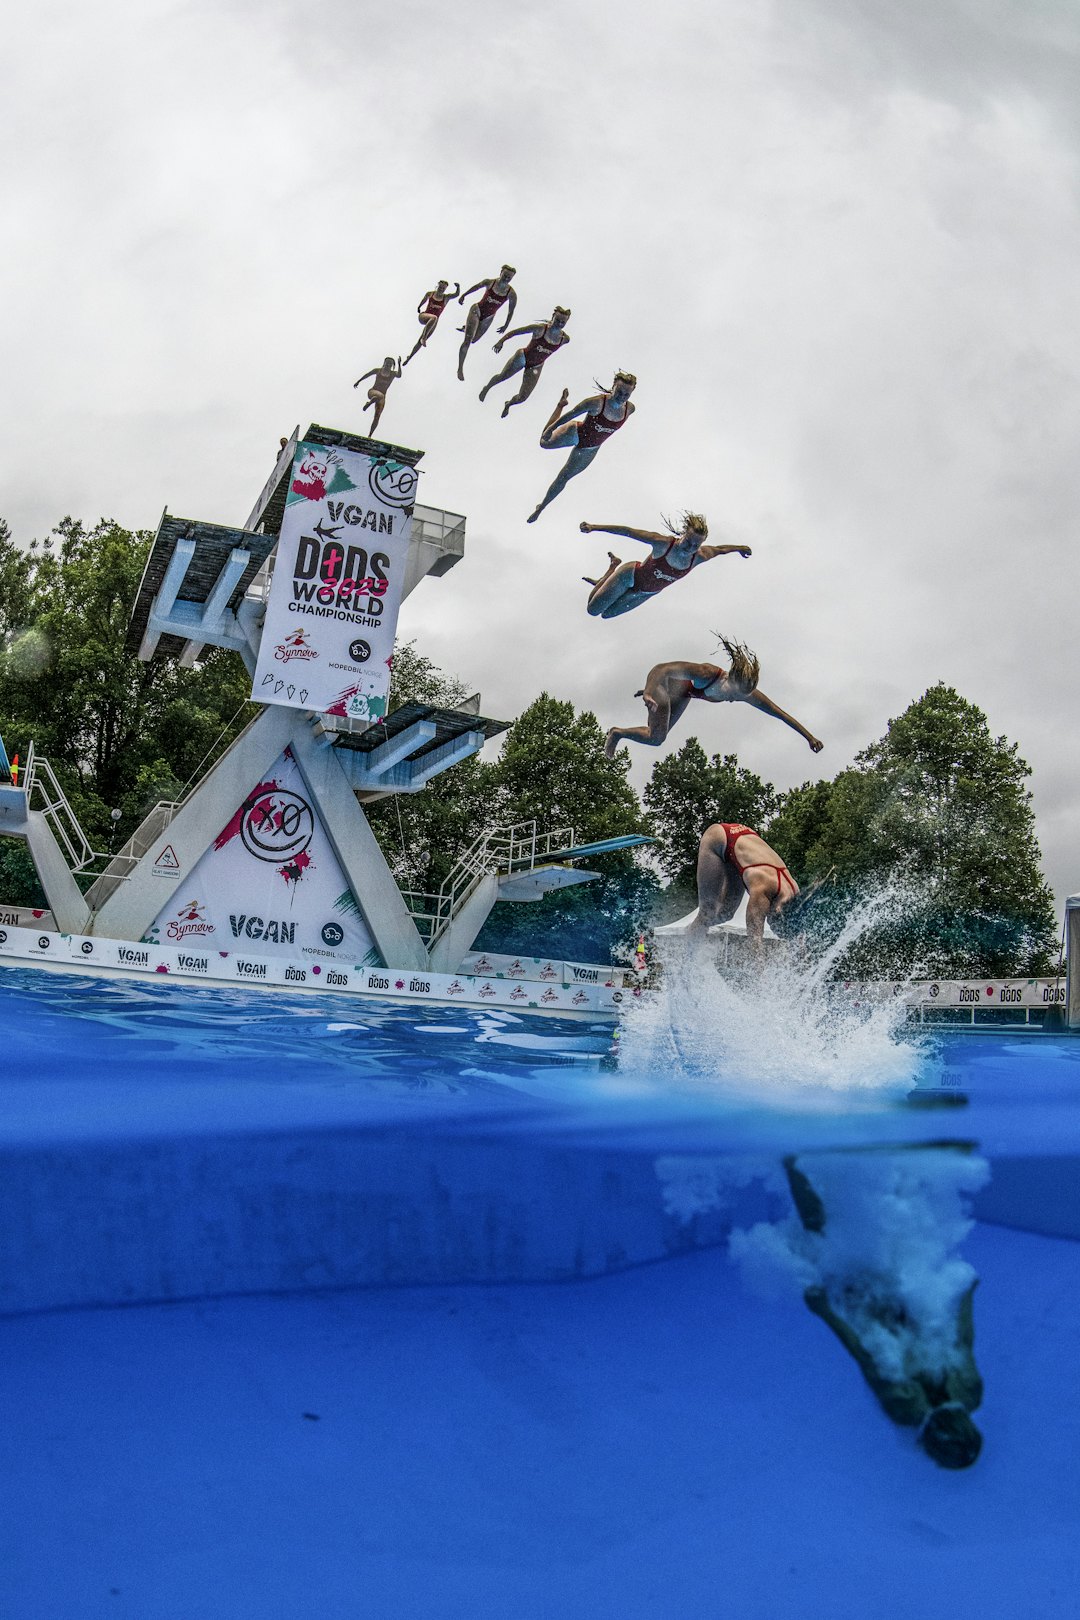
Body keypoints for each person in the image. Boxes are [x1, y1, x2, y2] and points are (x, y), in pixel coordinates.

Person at [783, 1151, 985, 1469]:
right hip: (892, 1311)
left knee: (844, 1235)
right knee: (835, 1235)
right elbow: (864, 1354)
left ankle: (805, 1158)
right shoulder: (920, 1407)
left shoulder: (956, 1399)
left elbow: (960, 1340)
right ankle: (805, 1158)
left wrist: (965, 1294)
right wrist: (825, 1313)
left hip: (891, 1311)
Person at [604, 638, 824, 758]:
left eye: (741, 697)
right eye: (735, 695)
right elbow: (662, 668)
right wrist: (650, 691)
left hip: (683, 694)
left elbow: (780, 714)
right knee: (657, 736)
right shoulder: (706, 673)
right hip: (663, 686)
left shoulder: (746, 693)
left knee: (656, 739)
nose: (734, 700)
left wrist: (809, 737)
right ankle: (615, 734)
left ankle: (619, 733)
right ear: (732, 680)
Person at [580, 512, 750, 618]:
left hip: (645, 593)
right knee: (592, 610)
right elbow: (628, 531)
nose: (689, 548)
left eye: (695, 545)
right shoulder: (663, 543)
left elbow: (721, 549)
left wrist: (740, 548)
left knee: (607, 615)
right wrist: (594, 527)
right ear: (682, 535)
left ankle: (609, 574)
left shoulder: (700, 556)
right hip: (629, 577)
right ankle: (612, 569)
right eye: (688, 542)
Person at [527, 373, 637, 522]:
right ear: (613, 388)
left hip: (590, 449)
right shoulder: (596, 403)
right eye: (619, 392)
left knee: (563, 478)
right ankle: (560, 404)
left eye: (626, 394)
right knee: (543, 443)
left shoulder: (630, 409)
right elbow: (571, 414)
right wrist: (550, 429)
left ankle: (541, 508)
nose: (621, 396)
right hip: (576, 432)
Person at [693, 821, 803, 951]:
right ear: (778, 910)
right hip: (717, 837)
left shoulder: (795, 893)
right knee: (708, 912)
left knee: (726, 914)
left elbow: (800, 939)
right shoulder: (763, 889)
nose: (767, 919)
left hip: (744, 839)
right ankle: (689, 951)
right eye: (771, 920)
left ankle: (696, 936)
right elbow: (754, 942)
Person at [479, 307, 571, 415]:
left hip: (536, 365)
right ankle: (487, 388)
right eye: (557, 320)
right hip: (523, 356)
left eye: (562, 322)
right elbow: (516, 332)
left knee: (523, 397)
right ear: (552, 318)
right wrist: (501, 341)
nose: (559, 324)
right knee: (502, 377)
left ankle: (508, 404)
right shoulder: (540, 329)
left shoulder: (565, 339)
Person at [456, 266, 518, 380]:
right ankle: (460, 368)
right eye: (505, 275)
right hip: (477, 310)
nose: (506, 278)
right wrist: (464, 295)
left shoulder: (511, 293)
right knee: (468, 340)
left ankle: (467, 328)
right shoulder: (490, 282)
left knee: (474, 339)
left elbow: (511, 310)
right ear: (500, 273)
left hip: (488, 317)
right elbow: (476, 287)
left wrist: (506, 325)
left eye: (509, 277)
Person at [404, 280, 461, 364]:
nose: (441, 289)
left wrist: (458, 287)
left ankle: (409, 357)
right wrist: (419, 306)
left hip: (433, 322)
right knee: (434, 317)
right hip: (424, 316)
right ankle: (424, 337)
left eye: (443, 288)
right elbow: (424, 299)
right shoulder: (430, 294)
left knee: (420, 341)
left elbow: (456, 295)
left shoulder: (446, 297)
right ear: (437, 286)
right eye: (440, 287)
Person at [353, 356, 402, 437]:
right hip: (373, 392)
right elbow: (367, 375)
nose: (388, 365)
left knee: (377, 416)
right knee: (380, 395)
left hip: (382, 397)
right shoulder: (378, 370)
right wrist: (358, 381)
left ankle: (369, 435)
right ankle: (370, 402)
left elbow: (399, 375)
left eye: (390, 364)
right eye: (387, 363)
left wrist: (399, 364)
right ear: (384, 363)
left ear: (392, 366)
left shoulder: (393, 374)